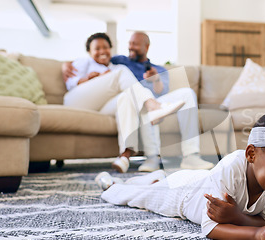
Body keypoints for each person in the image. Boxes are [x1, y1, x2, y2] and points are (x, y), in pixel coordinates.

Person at [94, 112, 265, 240]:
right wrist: (255, 234)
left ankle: (156, 178)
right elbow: (210, 227)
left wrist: (237, 216)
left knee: (160, 182)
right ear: (251, 154)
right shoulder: (232, 167)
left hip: (204, 179)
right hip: (183, 195)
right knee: (134, 196)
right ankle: (110, 184)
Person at [63, 31, 214, 172]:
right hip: (79, 99)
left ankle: (189, 156)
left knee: (185, 93)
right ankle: (151, 109)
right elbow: (72, 71)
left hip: (137, 99)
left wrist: (156, 81)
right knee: (132, 86)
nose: (130, 47)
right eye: (129, 43)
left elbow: (162, 92)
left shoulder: (155, 69)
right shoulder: (119, 62)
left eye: (135, 44)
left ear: (146, 47)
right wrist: (66, 67)